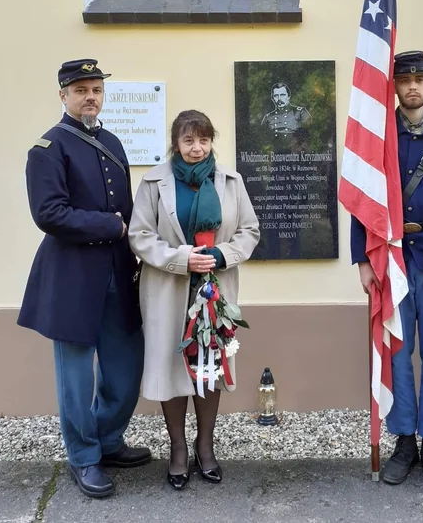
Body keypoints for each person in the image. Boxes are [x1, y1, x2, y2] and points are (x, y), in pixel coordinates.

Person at [18, 59, 150, 499]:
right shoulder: (48, 147)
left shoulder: (111, 141)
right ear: (63, 96)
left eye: (96, 90)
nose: (90, 97)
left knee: (126, 369)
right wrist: (111, 226)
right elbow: (49, 213)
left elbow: (127, 208)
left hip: (117, 271)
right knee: (75, 379)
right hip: (72, 278)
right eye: (81, 90)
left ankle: (108, 441)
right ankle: (84, 457)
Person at [351, 50, 423, 491]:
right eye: (404, 80)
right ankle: (404, 441)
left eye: (419, 78)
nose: (412, 86)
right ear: (395, 86)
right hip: (392, 258)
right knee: (397, 351)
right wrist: (363, 259)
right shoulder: (379, 134)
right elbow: (362, 199)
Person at [128, 110, 260, 490]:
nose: (197, 148)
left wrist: (222, 255)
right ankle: (177, 449)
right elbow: (139, 235)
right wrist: (181, 259)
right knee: (171, 367)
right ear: (175, 143)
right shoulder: (154, 183)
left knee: (210, 367)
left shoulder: (231, 182)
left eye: (203, 139)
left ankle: (205, 446)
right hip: (167, 290)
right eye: (188, 140)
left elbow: (249, 231)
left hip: (215, 289)